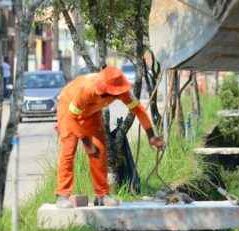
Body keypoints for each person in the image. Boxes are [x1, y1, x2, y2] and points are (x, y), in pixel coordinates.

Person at [55, 66, 165, 207]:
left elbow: (139, 111)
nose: (111, 97)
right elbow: (72, 117)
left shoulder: (122, 92)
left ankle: (101, 195)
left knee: (99, 151)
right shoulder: (87, 89)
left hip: (92, 113)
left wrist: (151, 136)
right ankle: (62, 195)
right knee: (68, 150)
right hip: (68, 107)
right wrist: (87, 143)